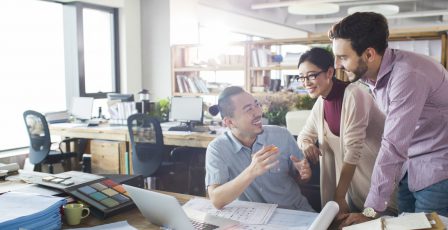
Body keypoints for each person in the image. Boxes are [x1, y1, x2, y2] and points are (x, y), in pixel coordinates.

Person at [329, 12, 448, 224]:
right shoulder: (373, 77)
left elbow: (393, 145)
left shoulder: (407, 75)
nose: (337, 64)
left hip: (438, 172)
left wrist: (370, 212)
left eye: (343, 57)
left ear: (369, 54)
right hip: (408, 170)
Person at [297, 47, 396, 217]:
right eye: (302, 77)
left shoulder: (354, 95)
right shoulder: (321, 102)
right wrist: (306, 144)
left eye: (312, 75)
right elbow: (304, 135)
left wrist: (339, 196)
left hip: (380, 185)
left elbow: (353, 151)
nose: (306, 82)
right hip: (354, 191)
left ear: (329, 72)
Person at [205, 86, 314, 211]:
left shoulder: (282, 135)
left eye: (257, 105)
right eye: (248, 109)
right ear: (229, 122)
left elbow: (301, 179)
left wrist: (304, 174)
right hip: (253, 219)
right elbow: (216, 200)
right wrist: (252, 171)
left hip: (295, 212)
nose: (258, 113)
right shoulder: (217, 149)